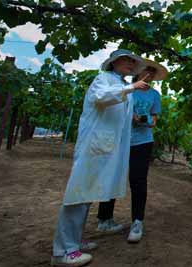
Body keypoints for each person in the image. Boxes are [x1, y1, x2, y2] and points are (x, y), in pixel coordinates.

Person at [51, 49, 150, 266]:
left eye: (133, 62)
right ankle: (62, 251)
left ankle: (74, 241)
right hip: (93, 147)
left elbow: (121, 116)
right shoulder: (103, 79)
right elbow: (101, 98)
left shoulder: (120, 84)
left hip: (104, 148)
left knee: (86, 194)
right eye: (126, 61)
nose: (131, 65)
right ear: (113, 62)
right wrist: (131, 87)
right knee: (77, 194)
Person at [97, 59, 167, 243]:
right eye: (146, 71)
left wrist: (146, 121)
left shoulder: (154, 95)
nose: (148, 75)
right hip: (121, 140)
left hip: (143, 141)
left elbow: (154, 119)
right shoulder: (126, 89)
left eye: (152, 74)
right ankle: (104, 219)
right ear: (138, 71)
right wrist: (130, 117)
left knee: (138, 181)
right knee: (112, 176)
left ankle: (137, 222)